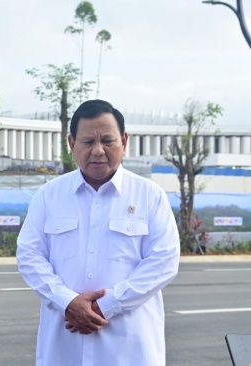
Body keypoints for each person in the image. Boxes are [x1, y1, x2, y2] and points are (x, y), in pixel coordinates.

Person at [16, 99, 180, 366]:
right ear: (72, 144)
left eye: (107, 140)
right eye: (88, 142)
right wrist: (67, 302)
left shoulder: (150, 196)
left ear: (124, 141)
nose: (98, 151)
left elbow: (164, 261)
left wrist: (108, 304)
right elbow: (29, 255)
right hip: (64, 346)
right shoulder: (49, 196)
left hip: (130, 350)